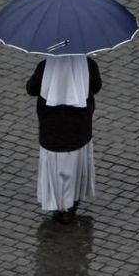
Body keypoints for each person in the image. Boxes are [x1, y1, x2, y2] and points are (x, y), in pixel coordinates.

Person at [26, 55, 101, 224]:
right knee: (75, 165)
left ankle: (59, 206)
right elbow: (96, 86)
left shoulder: (45, 66)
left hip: (52, 127)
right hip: (79, 127)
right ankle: (71, 203)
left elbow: (31, 88)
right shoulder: (88, 65)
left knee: (56, 167)